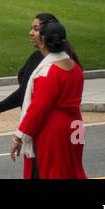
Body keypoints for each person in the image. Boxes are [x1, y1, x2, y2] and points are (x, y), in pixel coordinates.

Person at [10, 19, 86, 179]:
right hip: (74, 125)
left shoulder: (47, 73)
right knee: (71, 171)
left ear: (43, 40)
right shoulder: (75, 67)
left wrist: (19, 136)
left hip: (54, 131)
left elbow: (38, 109)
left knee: (52, 172)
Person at [0, 11, 59, 123]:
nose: (30, 33)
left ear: (47, 32)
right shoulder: (68, 60)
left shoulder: (42, 60)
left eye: (36, 29)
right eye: (31, 28)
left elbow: (25, 92)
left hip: (45, 123)